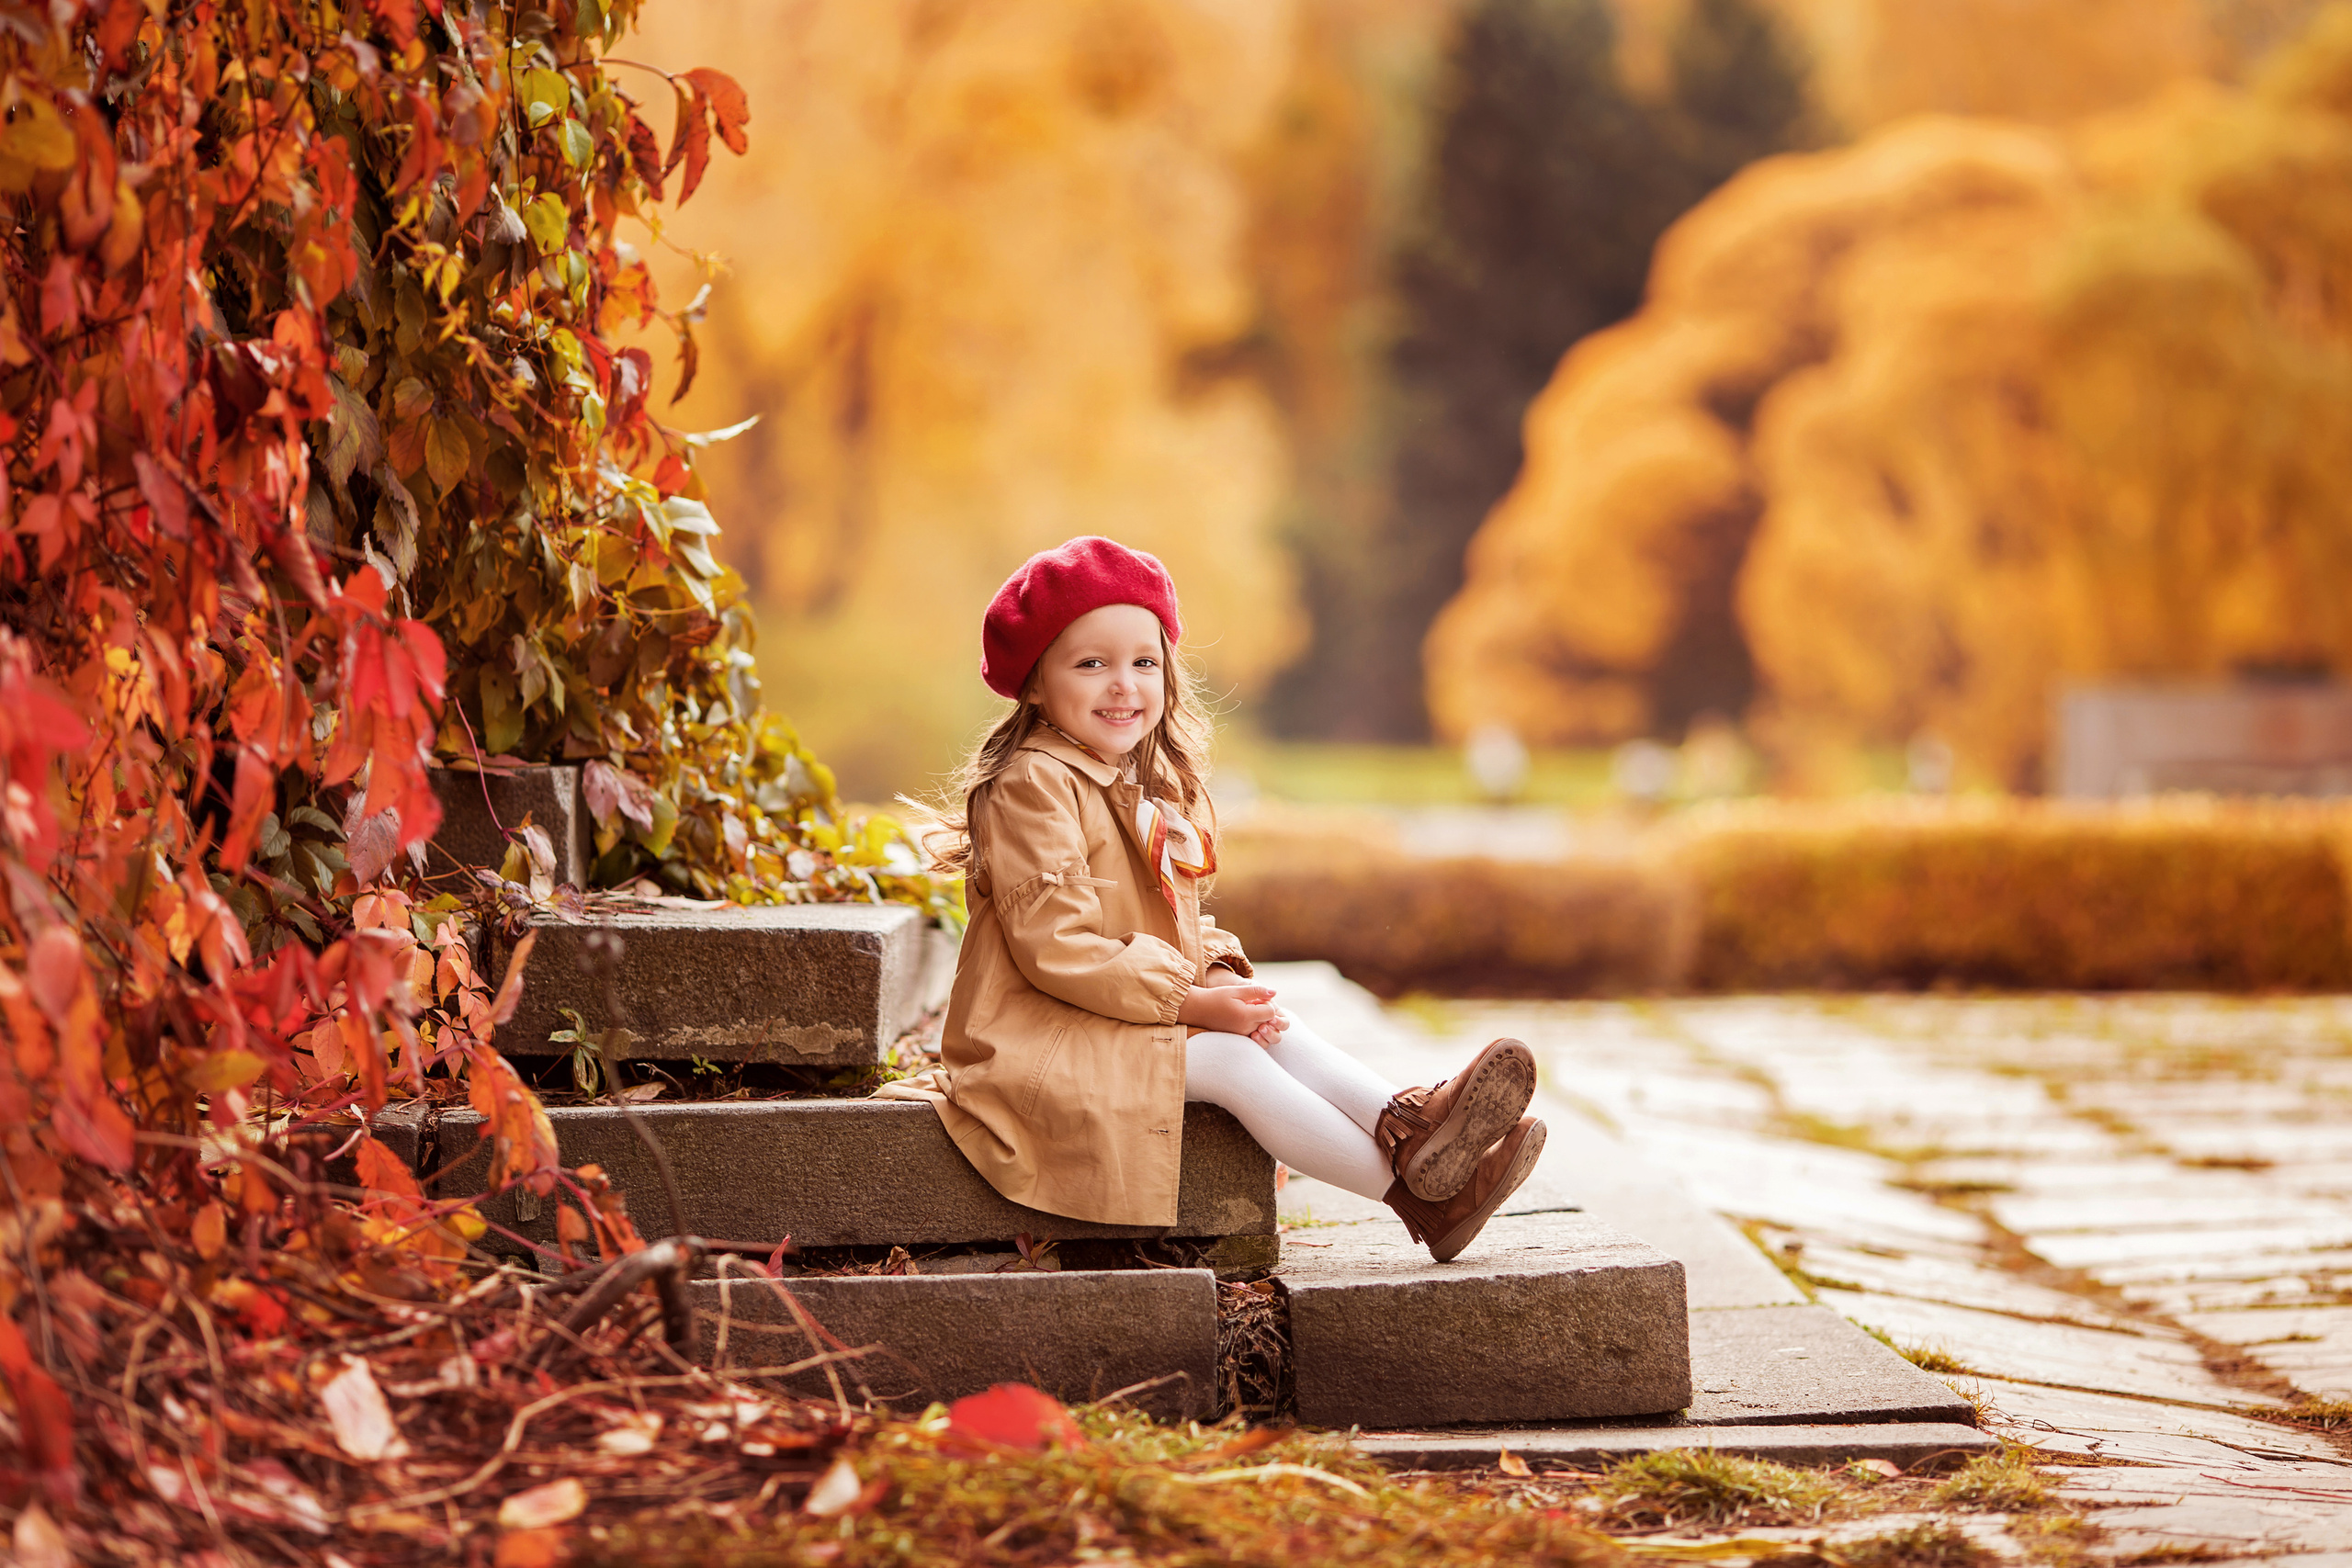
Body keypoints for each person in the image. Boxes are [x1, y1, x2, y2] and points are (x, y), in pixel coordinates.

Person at [882, 536, 1544, 1262]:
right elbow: (1058, 947)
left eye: (1143, 661)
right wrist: (1192, 1004)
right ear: (1036, 685)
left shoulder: (1126, 783)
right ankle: (1423, 1196)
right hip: (1041, 1039)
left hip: (1108, 1014)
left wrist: (1219, 977)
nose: (1122, 684)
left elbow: (1169, 921)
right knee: (1234, 1063)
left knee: (1270, 1021)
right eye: (1090, 663)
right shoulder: (1033, 785)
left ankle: (1408, 1123)